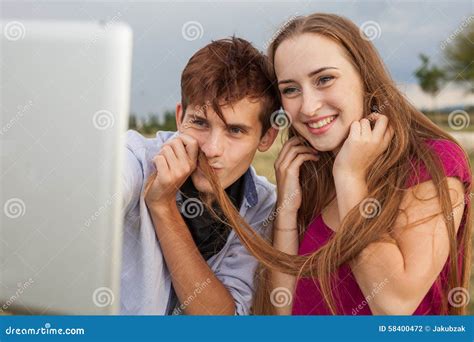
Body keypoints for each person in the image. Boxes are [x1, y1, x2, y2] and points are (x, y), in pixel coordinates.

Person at [248, 13, 471, 315]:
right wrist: (287, 211)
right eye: (290, 89)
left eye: (324, 79)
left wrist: (350, 176)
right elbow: (284, 311)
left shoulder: (432, 162)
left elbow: (394, 304)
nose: (309, 106)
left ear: (365, 77)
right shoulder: (313, 170)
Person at [121, 37, 279, 315]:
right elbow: (99, 186)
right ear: (180, 117)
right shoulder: (136, 159)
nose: (212, 149)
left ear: (266, 137)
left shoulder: (262, 206)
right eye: (200, 123)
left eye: (235, 131)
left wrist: (163, 207)